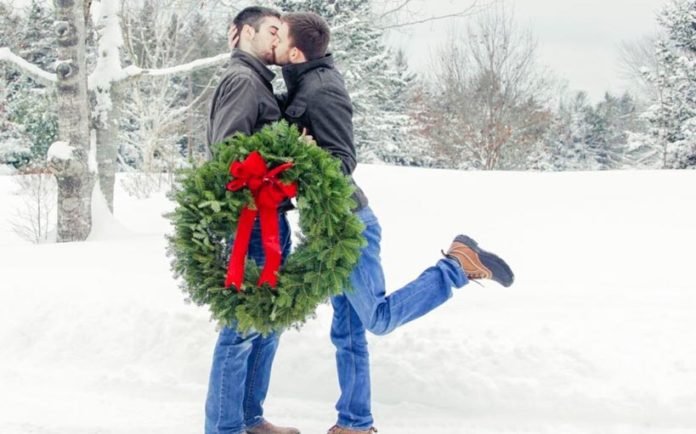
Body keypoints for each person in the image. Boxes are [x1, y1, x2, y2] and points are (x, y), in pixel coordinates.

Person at [272, 12, 514, 434]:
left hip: (348, 225)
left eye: (279, 37)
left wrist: (302, 158)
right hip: (330, 225)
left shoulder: (323, 89)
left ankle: (456, 266)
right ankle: (355, 423)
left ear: (294, 52)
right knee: (348, 334)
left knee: (378, 319)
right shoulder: (303, 84)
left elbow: (342, 161)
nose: (272, 41)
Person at [204, 6, 299, 434]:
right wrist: (279, 168)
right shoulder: (244, 80)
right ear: (243, 33)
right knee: (243, 324)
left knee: (267, 320)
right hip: (251, 221)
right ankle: (224, 427)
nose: (279, 40)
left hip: (269, 216)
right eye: (272, 31)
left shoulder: (258, 82)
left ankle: (249, 418)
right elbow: (229, 155)